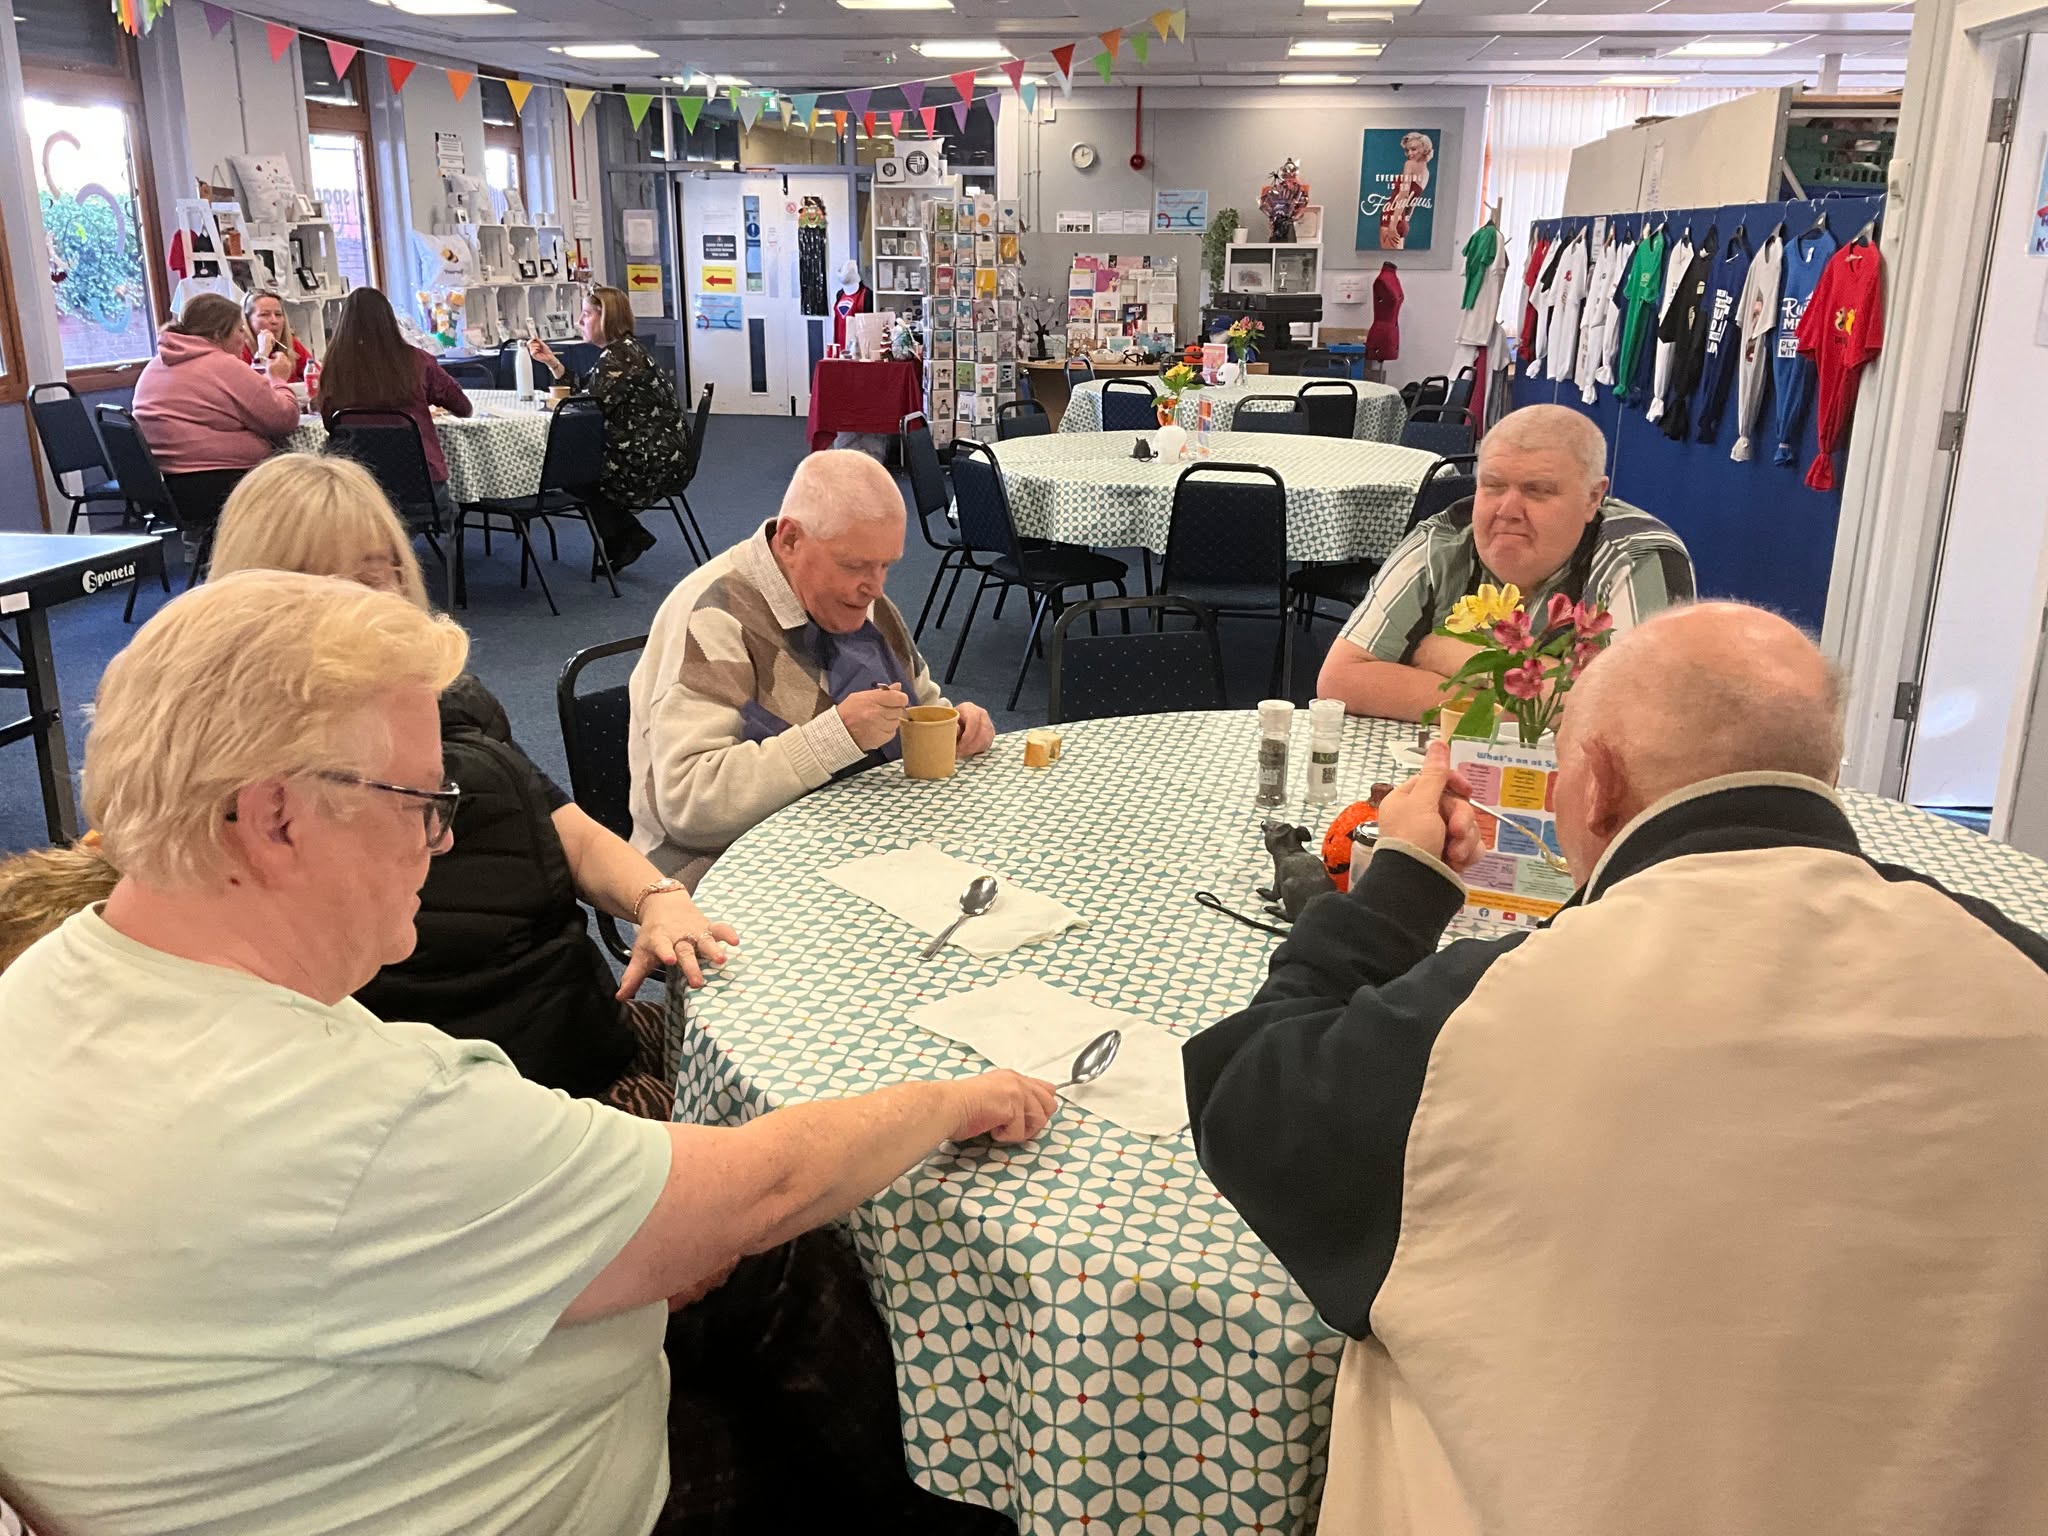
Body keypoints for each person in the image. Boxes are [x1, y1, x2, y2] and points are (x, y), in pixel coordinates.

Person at [0, 570, 1054, 1535]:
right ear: (276, 818)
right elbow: (764, 1187)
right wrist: (953, 1099)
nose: (444, 841)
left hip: (291, 1441)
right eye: (422, 803)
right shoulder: (357, 1114)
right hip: (557, 1492)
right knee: (802, 1271)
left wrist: (628, 1254)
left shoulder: (43, 993)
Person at [1186, 602, 2048, 1536]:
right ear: (1824, 772)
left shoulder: (1491, 1017)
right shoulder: (2019, 972)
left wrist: (1398, 884)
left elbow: (1247, 1096)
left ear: (1593, 786)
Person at [205, 452, 735, 1116]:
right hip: (509, 1108)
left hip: (590, 1028)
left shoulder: (444, 698)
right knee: (808, 1185)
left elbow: (563, 829)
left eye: (380, 572)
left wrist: (657, 897)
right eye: (323, 583)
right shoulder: (273, 800)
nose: (367, 602)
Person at [629, 450, 997, 887]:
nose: (875, 588)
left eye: (886, 565)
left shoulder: (861, 600)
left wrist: (956, 725)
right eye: (855, 565)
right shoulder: (714, 617)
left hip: (850, 841)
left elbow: (923, 704)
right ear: (789, 541)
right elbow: (688, 806)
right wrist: (835, 737)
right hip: (719, 873)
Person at [1318, 404, 1694, 722]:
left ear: (1593, 498)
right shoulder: (1442, 539)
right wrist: (1534, 697)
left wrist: (1460, 658)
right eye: (1493, 486)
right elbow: (1340, 681)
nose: (1508, 510)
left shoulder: (1639, 556)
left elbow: (1633, 716)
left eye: (1538, 491)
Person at [530, 285, 685, 572]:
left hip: (647, 458)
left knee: (572, 471)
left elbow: (587, 406)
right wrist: (552, 362)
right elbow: (586, 391)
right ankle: (625, 537)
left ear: (606, 318)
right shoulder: (622, 351)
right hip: (659, 449)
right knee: (576, 468)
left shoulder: (619, 358)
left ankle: (625, 538)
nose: (580, 322)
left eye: (586, 314)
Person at [130, 291, 300, 530]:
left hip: (164, 485)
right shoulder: (223, 366)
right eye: (239, 330)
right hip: (215, 485)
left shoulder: (156, 365)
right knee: (303, 479)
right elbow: (284, 419)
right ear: (220, 334)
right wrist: (278, 379)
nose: (243, 338)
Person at [317, 286, 473, 521]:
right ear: (390, 321)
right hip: (420, 489)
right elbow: (463, 407)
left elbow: (331, 424)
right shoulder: (418, 361)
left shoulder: (334, 367)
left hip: (358, 489)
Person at [239, 290, 312, 382]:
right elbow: (248, 388)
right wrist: (263, 353)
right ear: (247, 320)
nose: (274, 321)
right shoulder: (238, 348)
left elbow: (316, 373)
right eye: (264, 314)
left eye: (278, 314)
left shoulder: (290, 343)